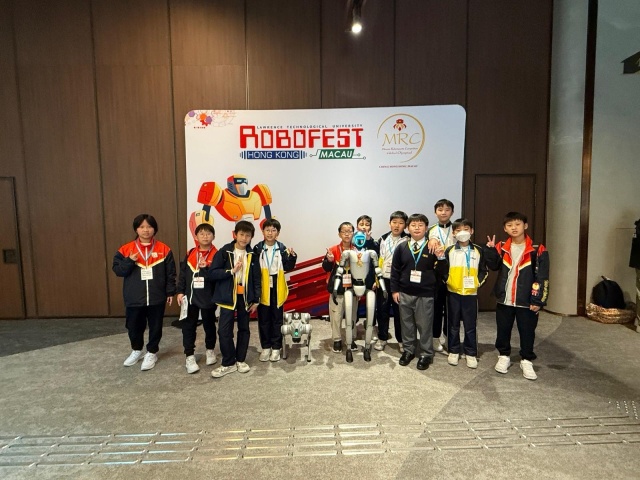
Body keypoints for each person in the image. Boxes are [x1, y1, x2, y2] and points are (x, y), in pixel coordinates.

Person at [484, 212, 549, 381]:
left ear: (525, 226)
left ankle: (526, 359)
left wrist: (539, 300)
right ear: (505, 228)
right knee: (503, 329)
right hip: (505, 299)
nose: (514, 228)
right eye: (510, 225)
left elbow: (543, 277)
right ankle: (503, 355)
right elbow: (494, 266)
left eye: (517, 224)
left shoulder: (538, 249)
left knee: (527, 331)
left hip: (526, 300)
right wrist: (490, 250)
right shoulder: (501, 246)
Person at [112, 214, 176, 371]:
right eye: (142, 227)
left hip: (157, 297)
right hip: (134, 297)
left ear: (154, 229)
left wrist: (170, 292)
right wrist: (129, 261)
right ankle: (136, 350)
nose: (146, 230)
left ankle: (152, 352)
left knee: (156, 326)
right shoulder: (126, 249)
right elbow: (118, 270)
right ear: (136, 229)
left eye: (149, 226)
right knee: (133, 326)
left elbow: (171, 274)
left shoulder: (164, 249)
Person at [391, 213, 446, 370]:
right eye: (413, 225)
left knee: (425, 325)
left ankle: (426, 354)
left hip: (425, 294)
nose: (417, 228)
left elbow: (443, 272)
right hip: (405, 292)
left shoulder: (432, 246)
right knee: (407, 324)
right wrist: (395, 290)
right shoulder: (402, 247)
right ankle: (408, 350)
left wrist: (441, 258)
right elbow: (395, 271)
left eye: (420, 225)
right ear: (408, 228)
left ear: (426, 228)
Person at [207, 220, 261, 378]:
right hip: (227, 297)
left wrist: (256, 300)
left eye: (248, 235)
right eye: (241, 234)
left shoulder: (252, 255)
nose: (244, 238)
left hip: (245, 297)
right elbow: (212, 273)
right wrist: (231, 271)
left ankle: (241, 360)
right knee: (224, 330)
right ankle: (228, 362)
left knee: (244, 329)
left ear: (251, 237)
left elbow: (256, 279)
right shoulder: (224, 252)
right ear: (235, 234)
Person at [442, 219, 488, 369]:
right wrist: (448, 281)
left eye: (466, 229)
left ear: (471, 231)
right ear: (453, 233)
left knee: (470, 324)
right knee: (453, 323)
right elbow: (443, 270)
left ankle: (471, 352)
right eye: (458, 230)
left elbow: (484, 270)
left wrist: (477, 283)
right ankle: (453, 350)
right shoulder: (449, 250)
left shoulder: (478, 250)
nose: (462, 232)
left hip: (471, 294)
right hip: (453, 293)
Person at [176, 223, 218, 374]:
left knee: (209, 325)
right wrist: (180, 291)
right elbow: (183, 274)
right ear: (196, 236)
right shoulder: (190, 253)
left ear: (213, 236)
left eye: (208, 233)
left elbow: (218, 277)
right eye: (202, 233)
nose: (205, 236)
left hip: (208, 297)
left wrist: (206, 268)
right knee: (188, 327)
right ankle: (189, 356)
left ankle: (210, 350)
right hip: (190, 297)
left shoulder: (218, 255)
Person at [253, 219, 297, 362]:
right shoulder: (257, 248)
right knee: (263, 319)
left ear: (278, 233)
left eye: (273, 230)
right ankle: (266, 347)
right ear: (263, 232)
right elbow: (254, 269)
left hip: (277, 285)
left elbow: (288, 266)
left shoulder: (282, 248)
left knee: (277, 318)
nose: (270, 233)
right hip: (263, 286)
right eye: (267, 230)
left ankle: (276, 347)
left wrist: (293, 257)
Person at [374, 211, 409, 352]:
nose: (397, 226)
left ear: (405, 225)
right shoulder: (382, 239)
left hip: (399, 282)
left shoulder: (408, 239)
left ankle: (401, 340)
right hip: (383, 280)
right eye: (394, 222)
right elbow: (377, 259)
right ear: (389, 223)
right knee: (382, 311)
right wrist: (376, 279)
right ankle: (382, 338)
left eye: (401, 223)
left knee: (400, 313)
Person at [322, 222, 358, 353]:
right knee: (336, 315)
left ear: (353, 233)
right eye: (344, 231)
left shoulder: (357, 250)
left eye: (349, 231)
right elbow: (325, 268)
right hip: (337, 289)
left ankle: (351, 338)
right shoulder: (333, 250)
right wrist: (329, 260)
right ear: (339, 234)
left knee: (352, 315)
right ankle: (337, 339)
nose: (347, 234)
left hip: (352, 289)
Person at [427, 199, 456, 354]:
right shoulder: (430, 231)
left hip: (454, 273)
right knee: (436, 308)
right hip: (436, 275)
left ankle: (448, 338)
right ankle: (435, 338)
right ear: (435, 212)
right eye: (440, 209)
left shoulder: (457, 229)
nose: (443, 212)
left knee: (451, 309)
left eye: (447, 209)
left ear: (452, 212)